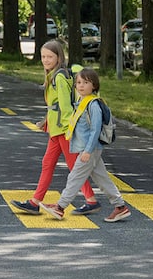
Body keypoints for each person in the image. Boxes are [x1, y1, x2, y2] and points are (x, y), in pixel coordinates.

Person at [10, 40, 101, 214]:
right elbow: (55, 105)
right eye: (43, 56)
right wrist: (46, 120)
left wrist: (69, 130)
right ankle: (35, 202)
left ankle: (91, 200)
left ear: (58, 57)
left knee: (74, 166)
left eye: (50, 57)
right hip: (55, 129)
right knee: (48, 163)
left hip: (63, 130)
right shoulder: (53, 74)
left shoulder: (59, 77)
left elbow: (65, 106)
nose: (45, 60)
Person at [39, 68, 131, 223]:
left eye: (86, 83)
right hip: (87, 149)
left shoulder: (93, 105)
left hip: (89, 150)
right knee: (102, 180)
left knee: (74, 178)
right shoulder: (82, 102)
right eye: (78, 82)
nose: (81, 86)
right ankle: (120, 207)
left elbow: (95, 130)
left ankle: (60, 207)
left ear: (94, 85)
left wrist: (87, 151)